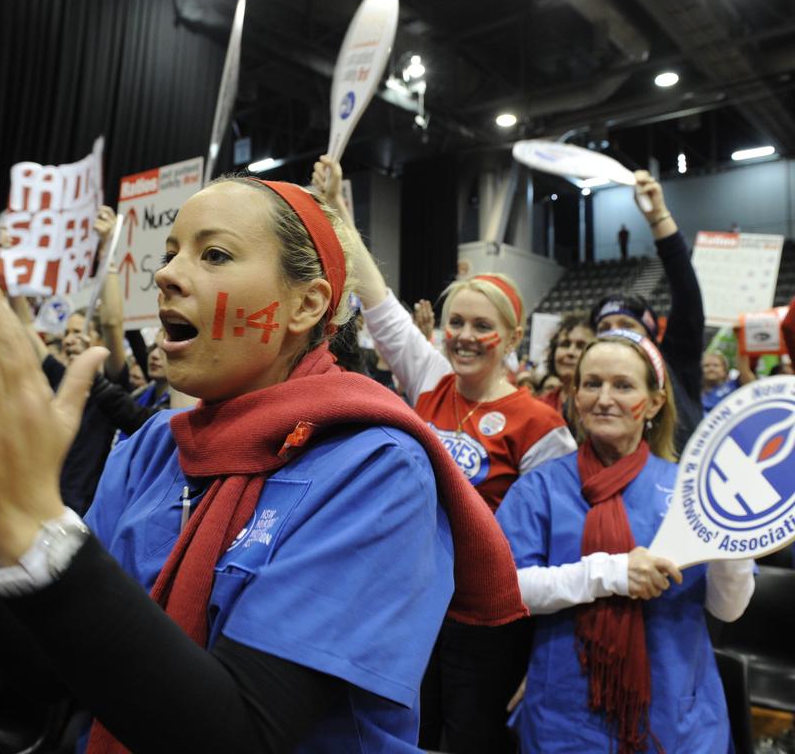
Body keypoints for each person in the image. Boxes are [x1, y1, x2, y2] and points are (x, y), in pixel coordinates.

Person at [0, 177, 526, 752]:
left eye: (215, 254)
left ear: (306, 307)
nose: (166, 274)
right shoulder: (157, 445)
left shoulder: (375, 468)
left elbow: (239, 734)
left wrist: (39, 533)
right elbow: (51, 668)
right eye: (169, 253)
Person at [314, 156, 573, 752]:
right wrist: (334, 209)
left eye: (482, 326)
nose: (462, 335)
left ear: (510, 338)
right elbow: (375, 297)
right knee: (411, 734)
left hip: (488, 621)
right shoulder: (431, 377)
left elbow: (558, 545)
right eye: (455, 321)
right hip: (414, 605)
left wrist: (547, 658)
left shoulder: (543, 426)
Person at [495, 330, 755, 753]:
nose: (604, 398)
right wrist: (612, 573)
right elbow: (508, 590)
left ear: (654, 402)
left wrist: (735, 536)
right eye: (592, 384)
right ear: (575, 396)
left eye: (623, 385)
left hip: (676, 716)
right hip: (568, 712)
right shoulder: (540, 488)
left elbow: (728, 607)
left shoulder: (692, 491)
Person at [591, 172, 703, 452]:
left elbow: (687, 294)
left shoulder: (674, 363)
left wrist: (658, 217)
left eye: (627, 325)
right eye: (604, 328)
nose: (614, 333)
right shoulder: (588, 393)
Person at [539, 313, 594, 420]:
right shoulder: (540, 405)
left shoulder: (602, 407)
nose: (570, 352)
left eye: (580, 346)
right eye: (565, 344)